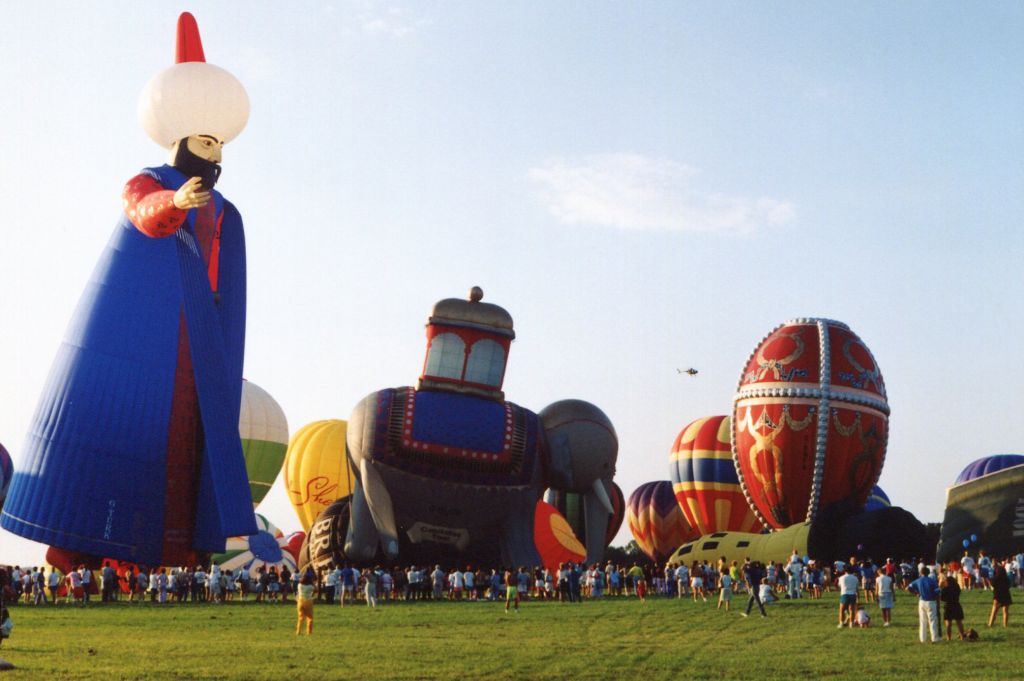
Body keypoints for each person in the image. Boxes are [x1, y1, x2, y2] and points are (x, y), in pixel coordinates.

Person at [0, 11, 255, 571]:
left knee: (190, 444)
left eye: (220, 146)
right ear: (182, 137)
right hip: (150, 335)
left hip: (199, 344)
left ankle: (177, 549)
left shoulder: (228, 214)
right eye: (207, 142)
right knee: (128, 426)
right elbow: (144, 215)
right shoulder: (146, 181)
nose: (215, 156)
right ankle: (86, 547)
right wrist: (174, 204)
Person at [908, 566, 941, 643]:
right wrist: (938, 603)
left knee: (923, 621)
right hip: (931, 601)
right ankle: (934, 638)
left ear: (920, 573)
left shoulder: (918, 580)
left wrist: (916, 593)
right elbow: (937, 593)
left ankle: (923, 639)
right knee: (932, 620)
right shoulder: (932, 581)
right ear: (928, 573)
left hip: (922, 601)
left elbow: (908, 587)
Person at [939, 573, 966, 640]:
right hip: (956, 605)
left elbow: (942, 598)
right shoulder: (957, 587)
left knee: (948, 624)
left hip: (948, 606)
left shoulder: (945, 589)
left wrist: (941, 587)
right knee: (959, 622)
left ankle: (949, 638)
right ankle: (962, 636)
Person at [988, 563, 1012, 628]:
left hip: (997, 596)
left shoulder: (995, 579)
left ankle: (990, 625)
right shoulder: (1007, 579)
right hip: (1006, 595)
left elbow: (991, 583)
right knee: (1005, 611)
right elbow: (1009, 586)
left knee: (994, 611)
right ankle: (1005, 625)